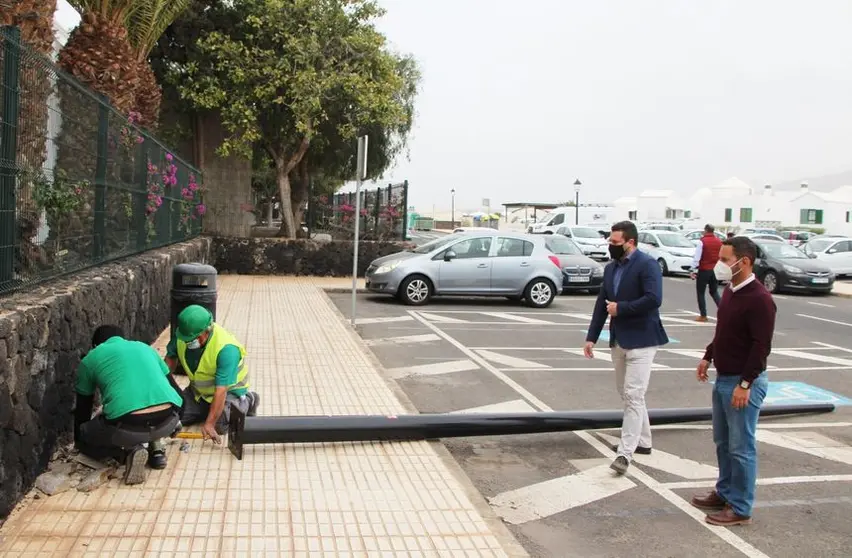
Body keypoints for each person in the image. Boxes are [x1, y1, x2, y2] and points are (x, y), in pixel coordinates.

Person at [691, 236, 775, 526]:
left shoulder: (760, 299)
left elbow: (760, 346)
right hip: (723, 378)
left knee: (741, 448)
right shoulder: (731, 292)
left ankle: (740, 507)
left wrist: (745, 384)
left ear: (745, 262)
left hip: (741, 382)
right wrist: (708, 356)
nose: (720, 265)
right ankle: (724, 491)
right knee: (723, 442)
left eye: (725, 260)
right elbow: (724, 331)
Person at [584, 220, 669, 475]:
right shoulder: (611, 269)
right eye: (610, 241)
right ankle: (644, 442)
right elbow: (602, 303)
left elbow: (654, 299)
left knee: (633, 394)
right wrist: (591, 337)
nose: (610, 246)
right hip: (619, 339)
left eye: (615, 242)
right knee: (626, 392)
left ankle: (625, 453)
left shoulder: (647, 265)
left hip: (643, 340)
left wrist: (622, 308)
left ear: (630, 243)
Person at [74, 325, 183, 485]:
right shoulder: (146, 348)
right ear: (124, 339)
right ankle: (155, 449)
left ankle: (127, 453)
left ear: (96, 345)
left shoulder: (91, 358)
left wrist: (80, 440)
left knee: (88, 433)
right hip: (168, 421)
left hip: (127, 428)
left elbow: (83, 409)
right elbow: (178, 393)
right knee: (144, 417)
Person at [164, 305, 260, 444]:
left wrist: (209, 423)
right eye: (187, 339)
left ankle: (249, 400)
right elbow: (169, 362)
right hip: (199, 393)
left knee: (220, 426)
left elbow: (221, 390)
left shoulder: (227, 349)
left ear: (207, 330)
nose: (188, 342)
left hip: (229, 392)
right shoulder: (183, 335)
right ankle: (208, 409)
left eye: (193, 339)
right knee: (173, 417)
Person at [690, 224, 723, 322]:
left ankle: (703, 315)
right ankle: (724, 312)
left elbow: (697, 257)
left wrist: (693, 269)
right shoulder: (719, 242)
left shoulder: (702, 241)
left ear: (705, 230)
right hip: (715, 270)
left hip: (704, 269)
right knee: (714, 291)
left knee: (700, 292)